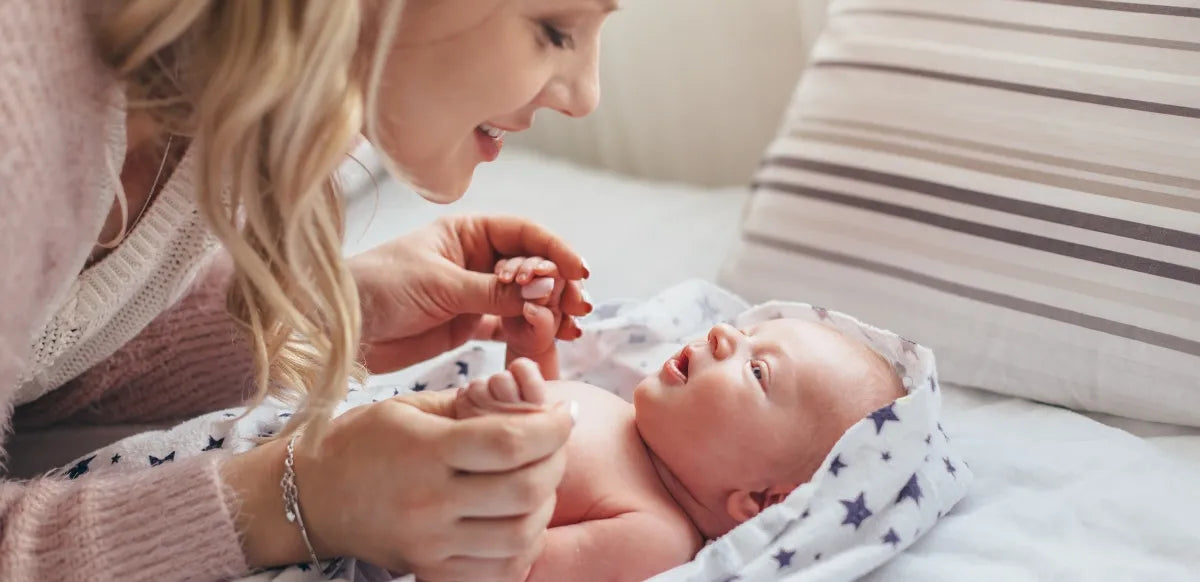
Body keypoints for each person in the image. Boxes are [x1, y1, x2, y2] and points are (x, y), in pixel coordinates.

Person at [0, 1, 619, 580]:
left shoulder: (234, 94)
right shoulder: (19, 106)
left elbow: (46, 354)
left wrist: (319, 313)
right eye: (554, 29)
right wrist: (299, 501)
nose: (587, 97)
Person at [455, 258, 906, 580]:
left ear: (759, 500)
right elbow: (548, 410)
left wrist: (474, 447)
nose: (722, 332)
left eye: (757, 370)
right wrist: (531, 352)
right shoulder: (625, 418)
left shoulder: (656, 536)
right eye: (746, 332)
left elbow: (510, 568)